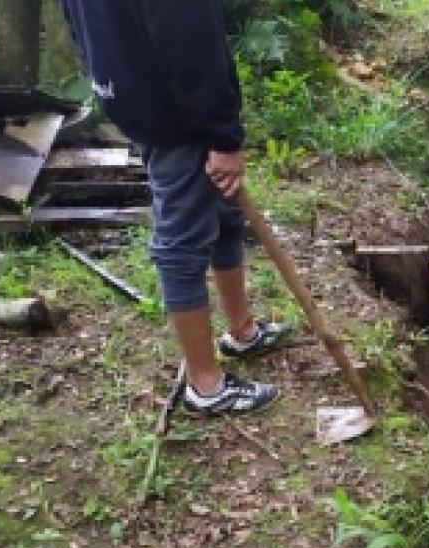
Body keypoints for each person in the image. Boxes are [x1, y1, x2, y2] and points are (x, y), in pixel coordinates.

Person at [58, 0, 290, 414]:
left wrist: (111, 84)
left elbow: (75, 22)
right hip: (178, 115)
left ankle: (242, 330)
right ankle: (206, 385)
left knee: (224, 213)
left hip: (135, 97)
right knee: (182, 242)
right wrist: (223, 137)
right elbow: (192, 45)